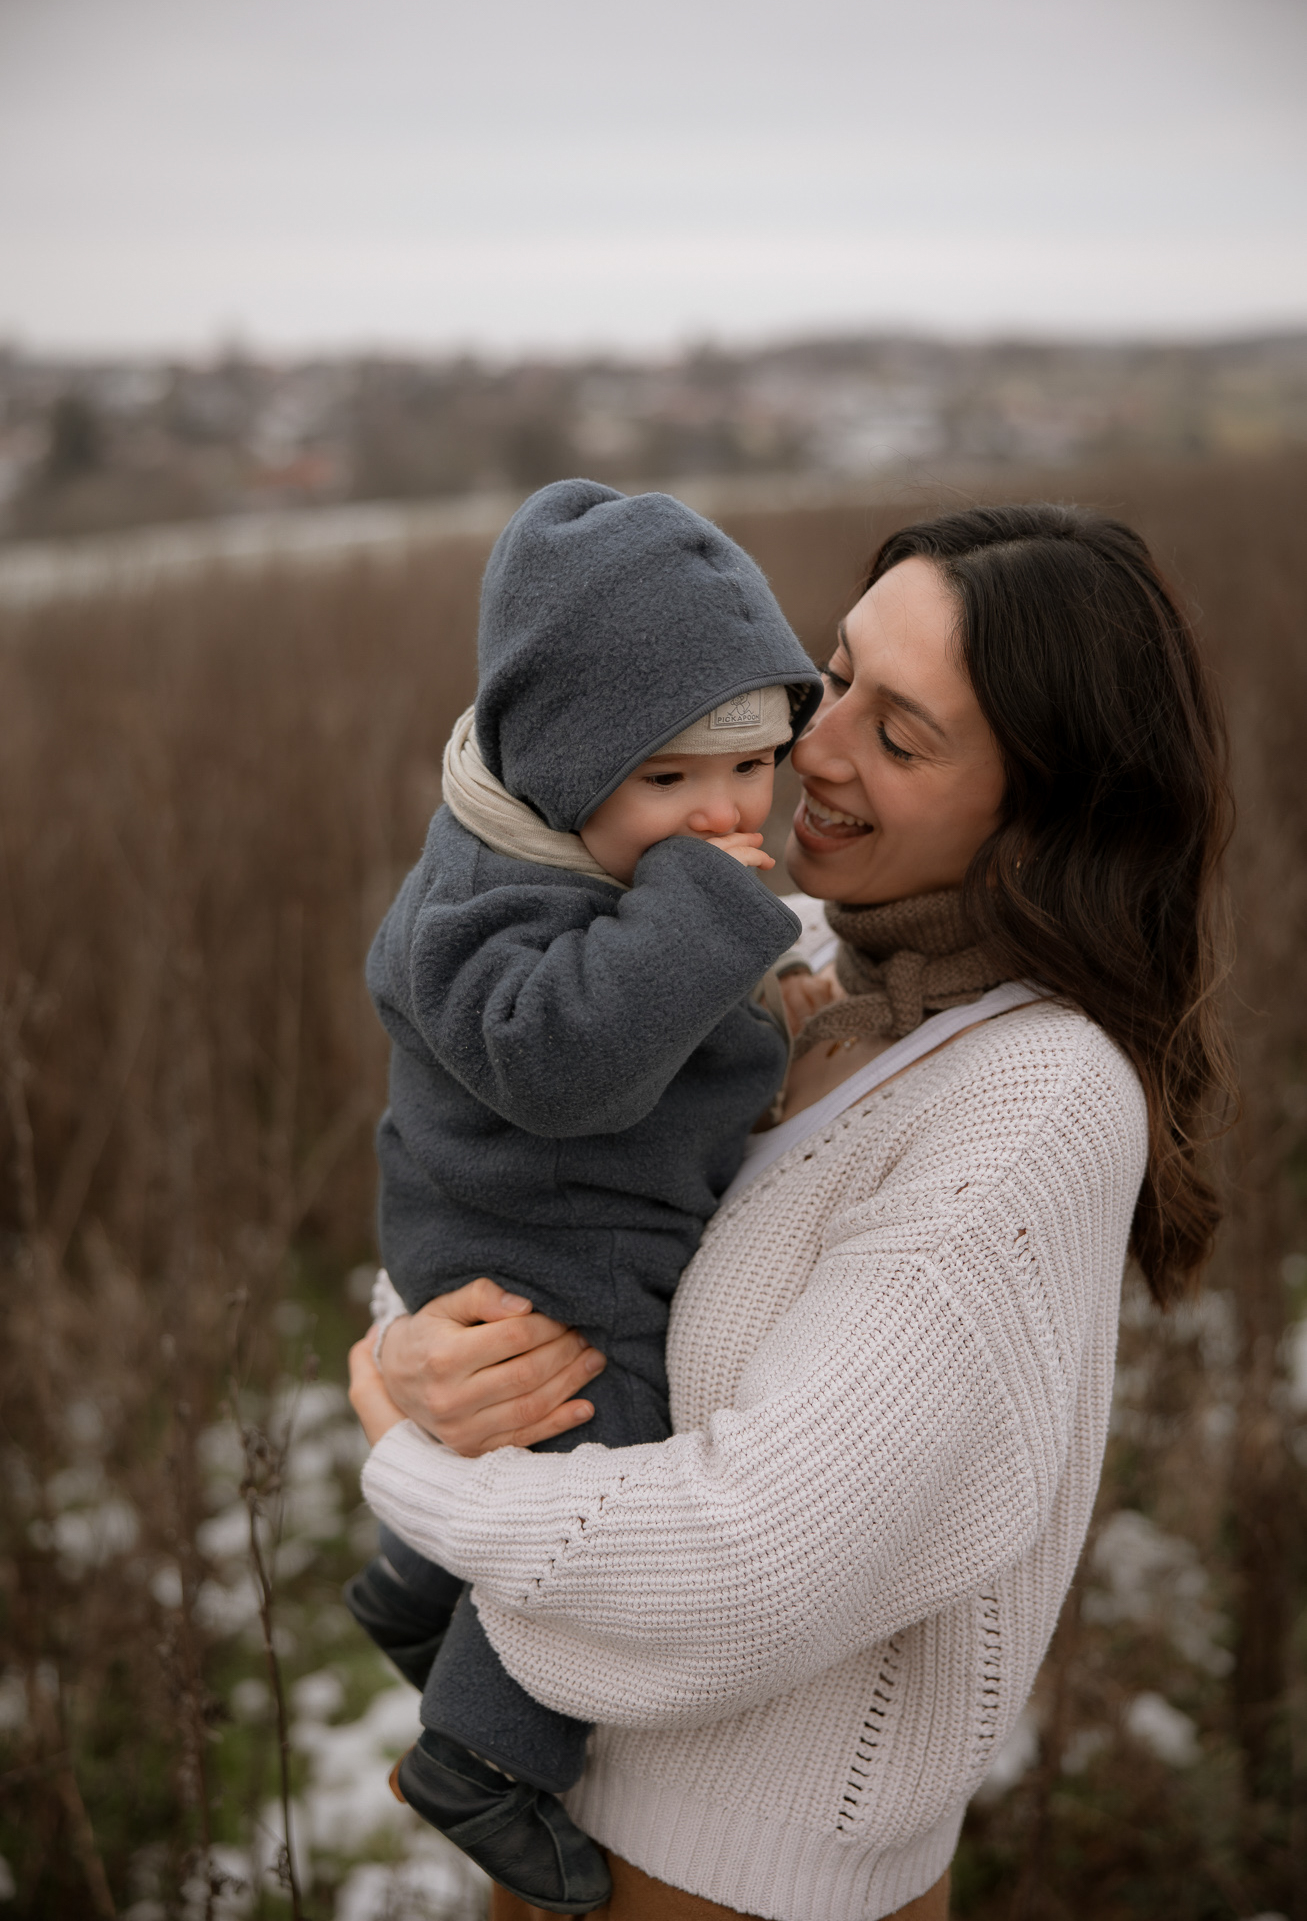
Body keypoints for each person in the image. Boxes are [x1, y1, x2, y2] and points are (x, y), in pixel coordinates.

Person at [350, 503, 1232, 1921]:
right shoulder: (791, 941)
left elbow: (752, 1560)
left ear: (1043, 811)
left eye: (902, 737)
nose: (810, 750)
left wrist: (419, 1477)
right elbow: (515, 1176)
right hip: (570, 1831)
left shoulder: (1033, 1101)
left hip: (737, 1884)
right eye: (836, 677)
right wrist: (415, 1352)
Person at [346, 477, 823, 1912]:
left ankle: (415, 1583)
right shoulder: (479, 901)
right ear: (562, 769)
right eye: (670, 780)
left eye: (757, 764)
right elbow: (567, 1061)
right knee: (604, 1454)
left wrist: (762, 980)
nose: (725, 812)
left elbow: (657, 983)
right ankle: (484, 1755)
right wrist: (718, 917)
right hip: (535, 1235)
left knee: (549, 1438)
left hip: (550, 1210)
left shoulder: (593, 848)